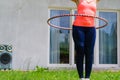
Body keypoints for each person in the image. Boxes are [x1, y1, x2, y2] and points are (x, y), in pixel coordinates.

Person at [71, 0, 100, 80]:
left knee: (89, 52)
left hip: (91, 28)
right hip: (78, 27)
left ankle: (87, 77)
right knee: (80, 49)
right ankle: (81, 77)